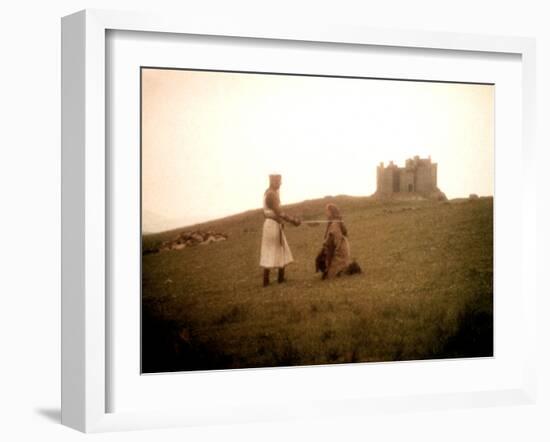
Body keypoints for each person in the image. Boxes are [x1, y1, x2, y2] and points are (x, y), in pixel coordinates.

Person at [260, 174, 301, 287]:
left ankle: (267, 281)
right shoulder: (272, 194)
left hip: (270, 224)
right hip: (272, 225)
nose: (280, 184)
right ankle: (279, 279)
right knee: (280, 249)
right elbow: (279, 212)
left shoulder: (267, 192)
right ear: (273, 181)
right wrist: (293, 220)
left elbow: (265, 212)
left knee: (270, 251)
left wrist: (281, 221)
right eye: (278, 182)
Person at [316, 203, 361, 279]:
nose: (326, 214)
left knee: (329, 276)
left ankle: (346, 269)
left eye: (327, 212)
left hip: (339, 256)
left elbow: (331, 248)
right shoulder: (337, 222)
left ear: (331, 213)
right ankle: (344, 268)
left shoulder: (334, 226)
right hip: (343, 255)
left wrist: (328, 267)